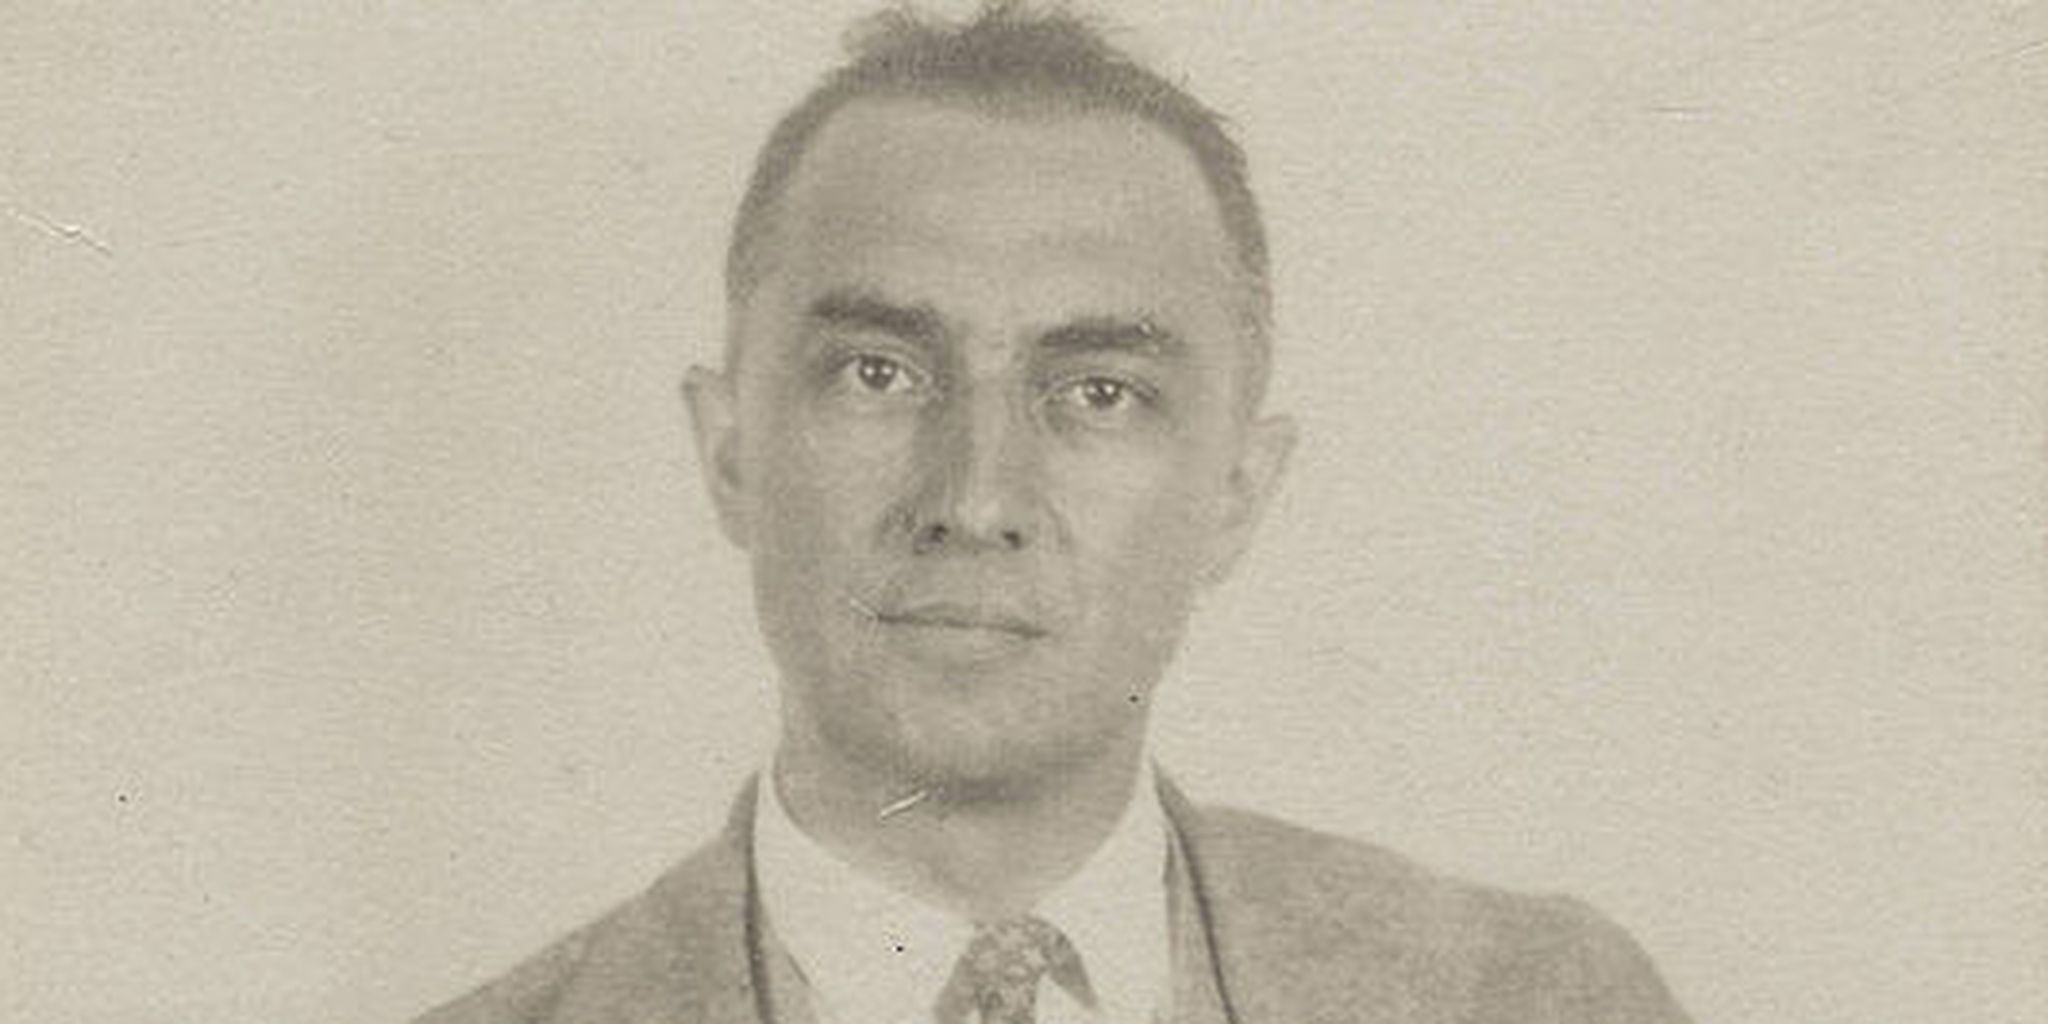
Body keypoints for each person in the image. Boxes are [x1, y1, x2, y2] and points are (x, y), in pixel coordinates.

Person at [418, 4, 1691, 1022]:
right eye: (878, 374)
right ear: (729, 449)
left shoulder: (1535, 1000)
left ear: (1237, 493)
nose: (976, 499)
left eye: (1098, 392)